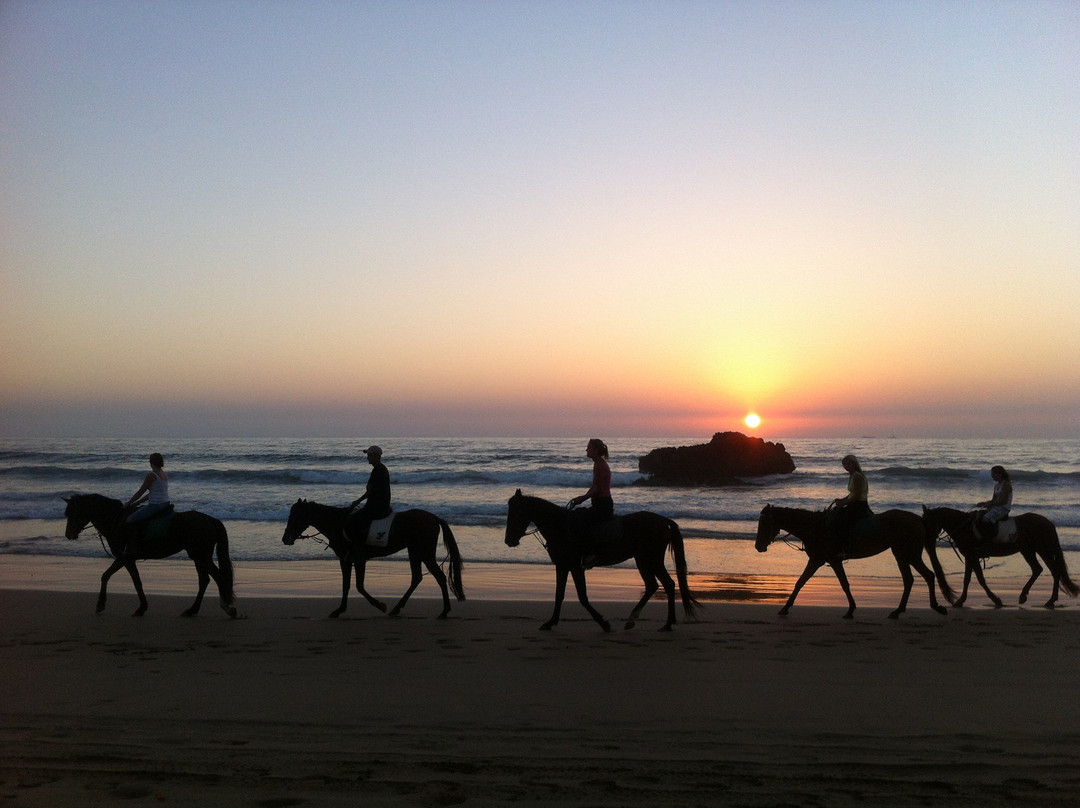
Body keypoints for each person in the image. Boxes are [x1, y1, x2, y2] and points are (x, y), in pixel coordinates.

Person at [569, 438, 613, 566]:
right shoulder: (598, 463)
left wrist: (582, 499)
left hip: (602, 504)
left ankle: (590, 554)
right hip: (601, 503)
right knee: (579, 514)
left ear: (596, 450)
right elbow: (594, 486)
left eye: (589, 447)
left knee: (582, 521)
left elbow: (598, 489)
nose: (586, 449)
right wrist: (580, 499)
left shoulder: (600, 465)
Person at [346, 445, 391, 557]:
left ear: (376, 456)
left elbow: (369, 492)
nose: (367, 457)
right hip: (381, 505)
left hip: (375, 506)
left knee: (353, 521)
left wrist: (357, 501)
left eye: (369, 455)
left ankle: (358, 549)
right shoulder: (381, 468)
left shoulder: (377, 470)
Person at [830, 454, 871, 551]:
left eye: (849, 463)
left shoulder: (857, 476)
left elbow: (857, 495)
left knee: (841, 522)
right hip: (855, 503)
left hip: (859, 505)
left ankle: (846, 546)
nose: (846, 466)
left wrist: (843, 503)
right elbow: (852, 493)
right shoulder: (853, 475)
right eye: (844, 464)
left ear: (854, 464)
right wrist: (842, 500)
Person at [126, 453, 171, 524]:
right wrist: (137, 503)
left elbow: (140, 492)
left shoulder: (151, 475)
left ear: (151, 463)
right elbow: (152, 494)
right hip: (166, 503)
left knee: (129, 520)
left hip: (156, 505)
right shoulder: (164, 474)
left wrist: (129, 503)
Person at [975, 465, 1012, 539]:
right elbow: (993, 500)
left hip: (1003, 508)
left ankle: (989, 538)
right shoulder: (996, 485)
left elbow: (1004, 501)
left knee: (986, 518)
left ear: (999, 474)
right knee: (979, 514)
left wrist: (991, 504)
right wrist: (984, 503)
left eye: (993, 474)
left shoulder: (1006, 484)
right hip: (996, 507)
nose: (992, 476)